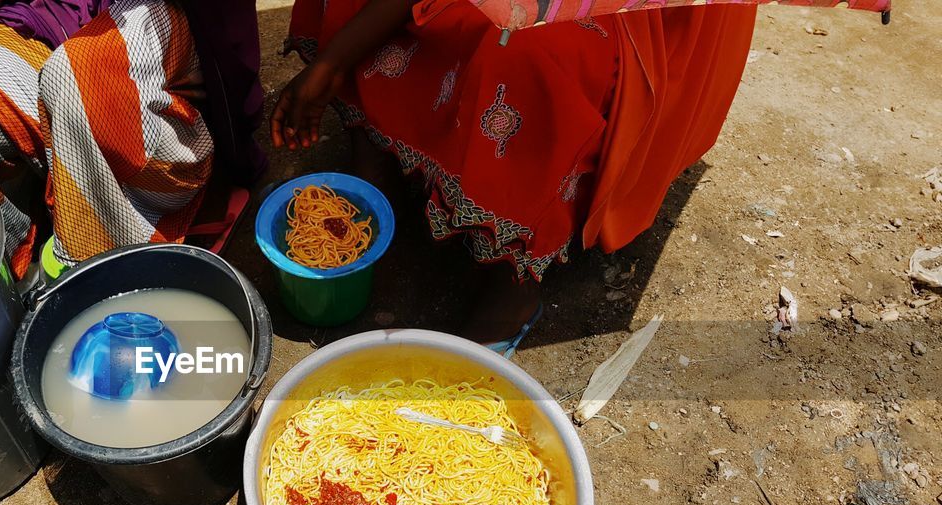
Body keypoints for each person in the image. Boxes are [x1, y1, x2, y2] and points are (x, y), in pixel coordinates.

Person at [273, 0, 757, 351]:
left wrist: (338, 59)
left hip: (633, 14)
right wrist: (335, 61)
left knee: (527, 57)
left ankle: (512, 287)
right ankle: (375, 142)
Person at [0, 0, 266, 280]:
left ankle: (106, 281)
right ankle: (7, 290)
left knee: (80, 81)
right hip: (52, 14)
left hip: (174, 16)